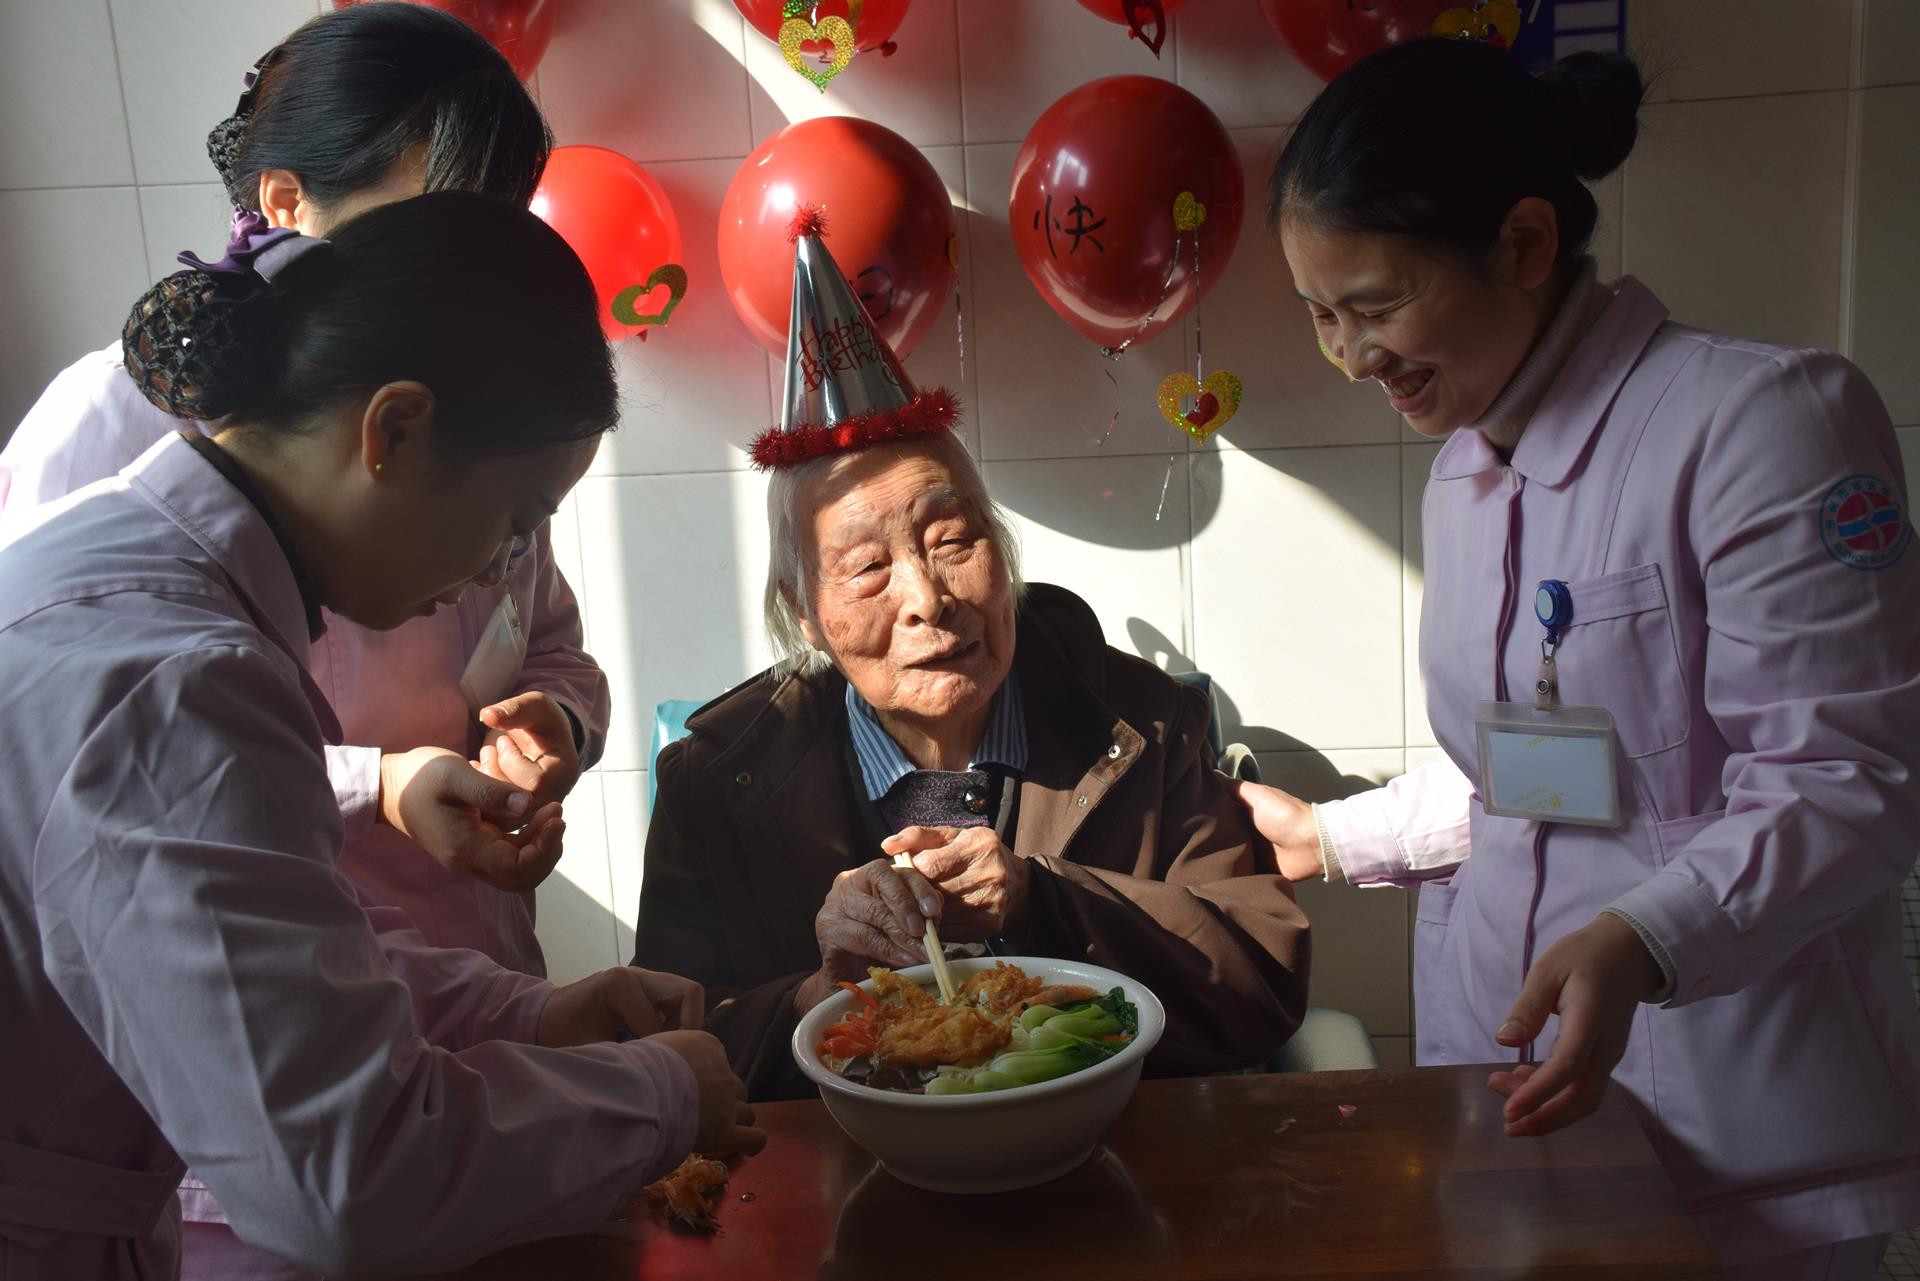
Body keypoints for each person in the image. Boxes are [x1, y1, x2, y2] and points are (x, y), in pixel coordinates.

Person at [1232, 37, 1920, 1280]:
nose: (1349, 356)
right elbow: (1545, 772)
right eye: (1322, 315)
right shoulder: (1465, 471)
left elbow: (1848, 781)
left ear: (1528, 244)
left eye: (1377, 306)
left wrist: (1645, 935)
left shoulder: (1763, 425)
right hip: (1507, 1102)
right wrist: (1332, 839)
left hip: (1731, 1121)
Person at [0, 192, 763, 1281]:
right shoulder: (183, 681)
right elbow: (349, 1175)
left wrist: (535, 1014)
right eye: (513, 524)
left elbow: (286, 940)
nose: (504, 573)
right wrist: (660, 1092)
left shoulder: (126, 567)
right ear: (395, 431)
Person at [633, 210, 1309, 1100]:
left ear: (1003, 552)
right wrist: (818, 1000)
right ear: (804, 614)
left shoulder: (1144, 726)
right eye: (869, 568)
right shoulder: (716, 781)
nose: (927, 598)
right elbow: (665, 1046)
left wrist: (1046, 899)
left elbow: (1262, 983)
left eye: (954, 539)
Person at [1, 1, 606, 968]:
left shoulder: (462, 421)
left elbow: (539, 636)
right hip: (277, 956)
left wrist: (556, 720)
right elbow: (102, 762)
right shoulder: (113, 419)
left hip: (469, 966)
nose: (474, 270)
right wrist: (381, 782)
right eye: (440, 222)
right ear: (286, 205)